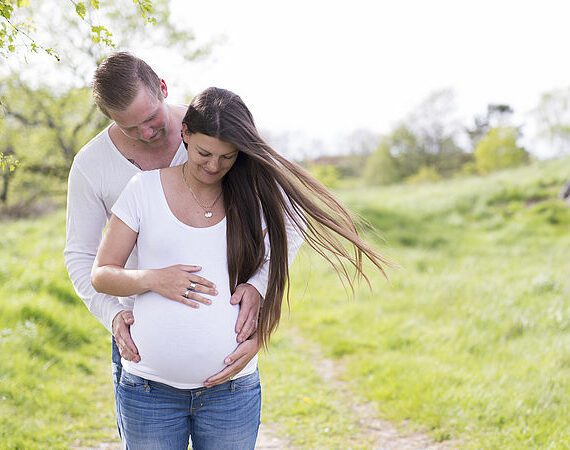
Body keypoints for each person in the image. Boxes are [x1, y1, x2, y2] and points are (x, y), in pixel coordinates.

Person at [91, 86, 389, 449]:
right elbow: (102, 274)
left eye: (227, 156)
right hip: (150, 391)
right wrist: (155, 279)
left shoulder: (252, 189)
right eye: (204, 153)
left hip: (231, 392)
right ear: (185, 134)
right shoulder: (144, 189)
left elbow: (295, 225)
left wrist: (259, 283)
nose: (214, 166)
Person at [64, 53, 267, 438]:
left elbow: (284, 224)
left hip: (229, 373)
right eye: (129, 126)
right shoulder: (92, 166)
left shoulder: (217, 136)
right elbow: (82, 255)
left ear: (163, 88)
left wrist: (259, 286)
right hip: (143, 350)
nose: (145, 133)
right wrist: (111, 314)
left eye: (151, 119)